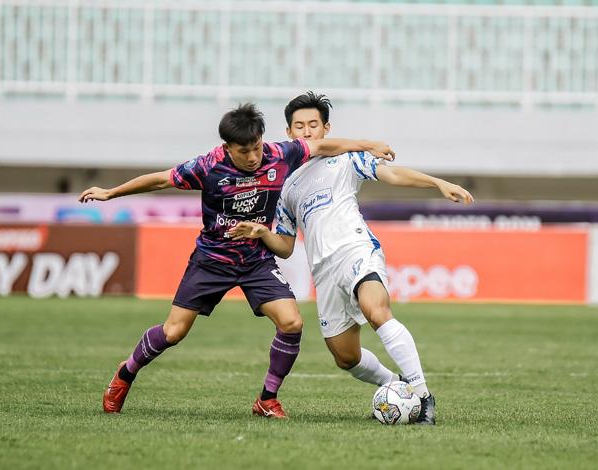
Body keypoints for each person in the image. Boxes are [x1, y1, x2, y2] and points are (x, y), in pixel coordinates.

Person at [79, 102, 395, 419]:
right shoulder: (207, 166)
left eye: (256, 147)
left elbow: (325, 144)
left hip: (256, 260)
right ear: (227, 147)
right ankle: (126, 373)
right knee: (173, 332)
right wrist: (110, 193)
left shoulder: (279, 153)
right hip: (213, 259)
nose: (253, 157)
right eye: (244, 151)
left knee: (292, 323)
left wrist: (370, 145)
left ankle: (267, 399)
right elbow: (160, 180)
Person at [229, 92, 474, 425]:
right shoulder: (285, 185)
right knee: (345, 356)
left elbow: (391, 174)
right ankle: (396, 386)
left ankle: (423, 395)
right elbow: (285, 245)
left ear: (326, 128)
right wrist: (262, 234)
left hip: (355, 250)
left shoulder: (346, 159)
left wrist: (436, 183)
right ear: (289, 133)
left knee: (377, 310)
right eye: (299, 126)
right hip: (324, 271)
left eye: (313, 124)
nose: (306, 131)